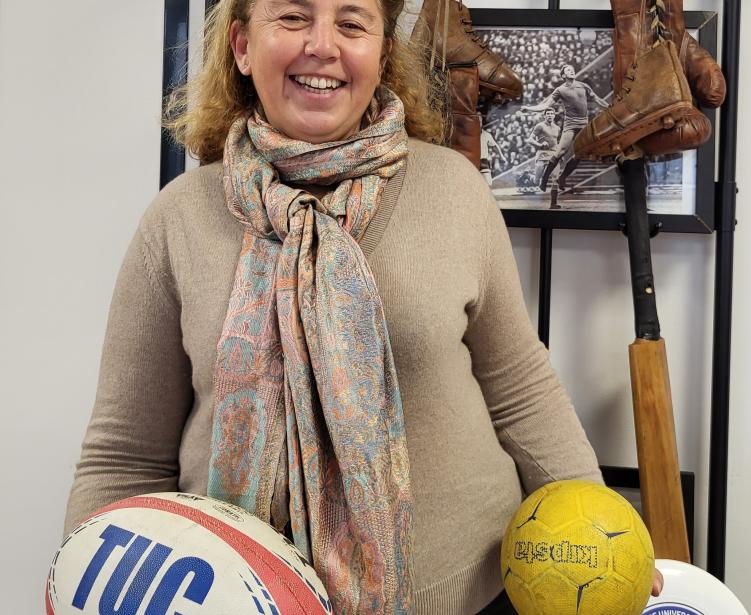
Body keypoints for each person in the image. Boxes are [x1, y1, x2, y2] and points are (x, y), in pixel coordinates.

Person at [63, 1, 662, 613]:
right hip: (233, 596)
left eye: (352, 23)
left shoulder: (454, 190)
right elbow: (126, 452)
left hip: (465, 594)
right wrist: (88, 582)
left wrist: (601, 527)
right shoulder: (177, 219)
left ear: (380, 54)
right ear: (242, 47)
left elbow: (518, 384)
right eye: (293, 17)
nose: (323, 45)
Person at [521, 64, 608, 195]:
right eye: (567, 70)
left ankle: (563, 177)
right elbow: (545, 105)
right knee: (560, 151)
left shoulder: (583, 86)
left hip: (584, 123)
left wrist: (610, 107)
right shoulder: (560, 90)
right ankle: (544, 179)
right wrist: (530, 108)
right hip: (570, 125)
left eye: (572, 69)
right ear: (563, 75)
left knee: (581, 153)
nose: (571, 70)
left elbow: (597, 99)